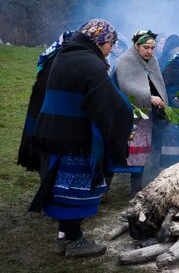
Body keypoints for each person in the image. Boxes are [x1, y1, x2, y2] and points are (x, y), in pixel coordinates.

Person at [28, 19, 133, 257]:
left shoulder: (67, 54)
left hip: (55, 132)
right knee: (73, 189)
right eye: (109, 43)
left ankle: (64, 237)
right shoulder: (88, 61)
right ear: (97, 40)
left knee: (62, 187)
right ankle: (75, 241)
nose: (111, 49)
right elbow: (108, 100)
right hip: (73, 137)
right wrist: (128, 116)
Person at [110, 30, 168, 195]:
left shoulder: (153, 62)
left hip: (145, 117)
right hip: (125, 114)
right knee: (119, 150)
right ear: (136, 46)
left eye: (152, 48)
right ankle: (104, 189)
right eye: (146, 47)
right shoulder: (125, 61)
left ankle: (136, 188)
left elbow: (158, 84)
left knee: (141, 154)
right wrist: (148, 97)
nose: (149, 51)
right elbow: (126, 87)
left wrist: (162, 102)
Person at [18, 31, 74, 173]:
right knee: (46, 148)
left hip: (40, 107)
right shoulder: (60, 60)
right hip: (47, 109)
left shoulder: (52, 56)